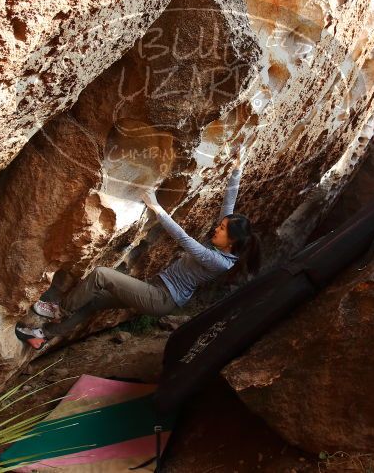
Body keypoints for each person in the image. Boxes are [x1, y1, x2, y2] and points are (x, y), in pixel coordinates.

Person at [16, 149, 261, 349]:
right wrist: (238, 167)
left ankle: (59, 310)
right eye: (220, 225)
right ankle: (42, 336)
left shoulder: (219, 261)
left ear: (231, 242)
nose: (217, 228)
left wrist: (156, 208)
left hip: (162, 299)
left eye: (222, 229)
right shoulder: (225, 246)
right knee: (94, 302)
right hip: (157, 288)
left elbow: (184, 239)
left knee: (101, 275)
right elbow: (229, 202)